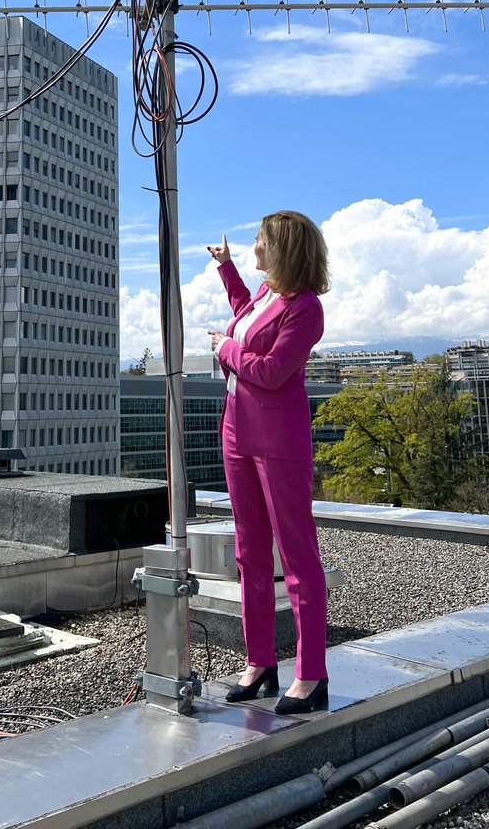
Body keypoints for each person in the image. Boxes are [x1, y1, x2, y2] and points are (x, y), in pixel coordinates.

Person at [207, 211, 330, 712]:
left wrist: (225, 348)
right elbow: (247, 320)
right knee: (249, 554)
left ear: (282, 247)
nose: (254, 245)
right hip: (236, 433)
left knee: (296, 559)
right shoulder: (265, 295)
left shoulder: (307, 308)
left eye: (259, 240)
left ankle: (311, 674)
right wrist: (229, 269)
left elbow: (273, 369)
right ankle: (260, 663)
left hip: (278, 440)